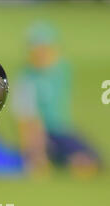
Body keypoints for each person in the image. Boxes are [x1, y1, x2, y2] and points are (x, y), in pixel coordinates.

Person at [12, 22, 100, 176]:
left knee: (94, 162)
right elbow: (26, 119)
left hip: (63, 131)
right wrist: (34, 152)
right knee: (78, 165)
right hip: (42, 134)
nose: (43, 55)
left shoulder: (62, 70)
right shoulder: (26, 79)